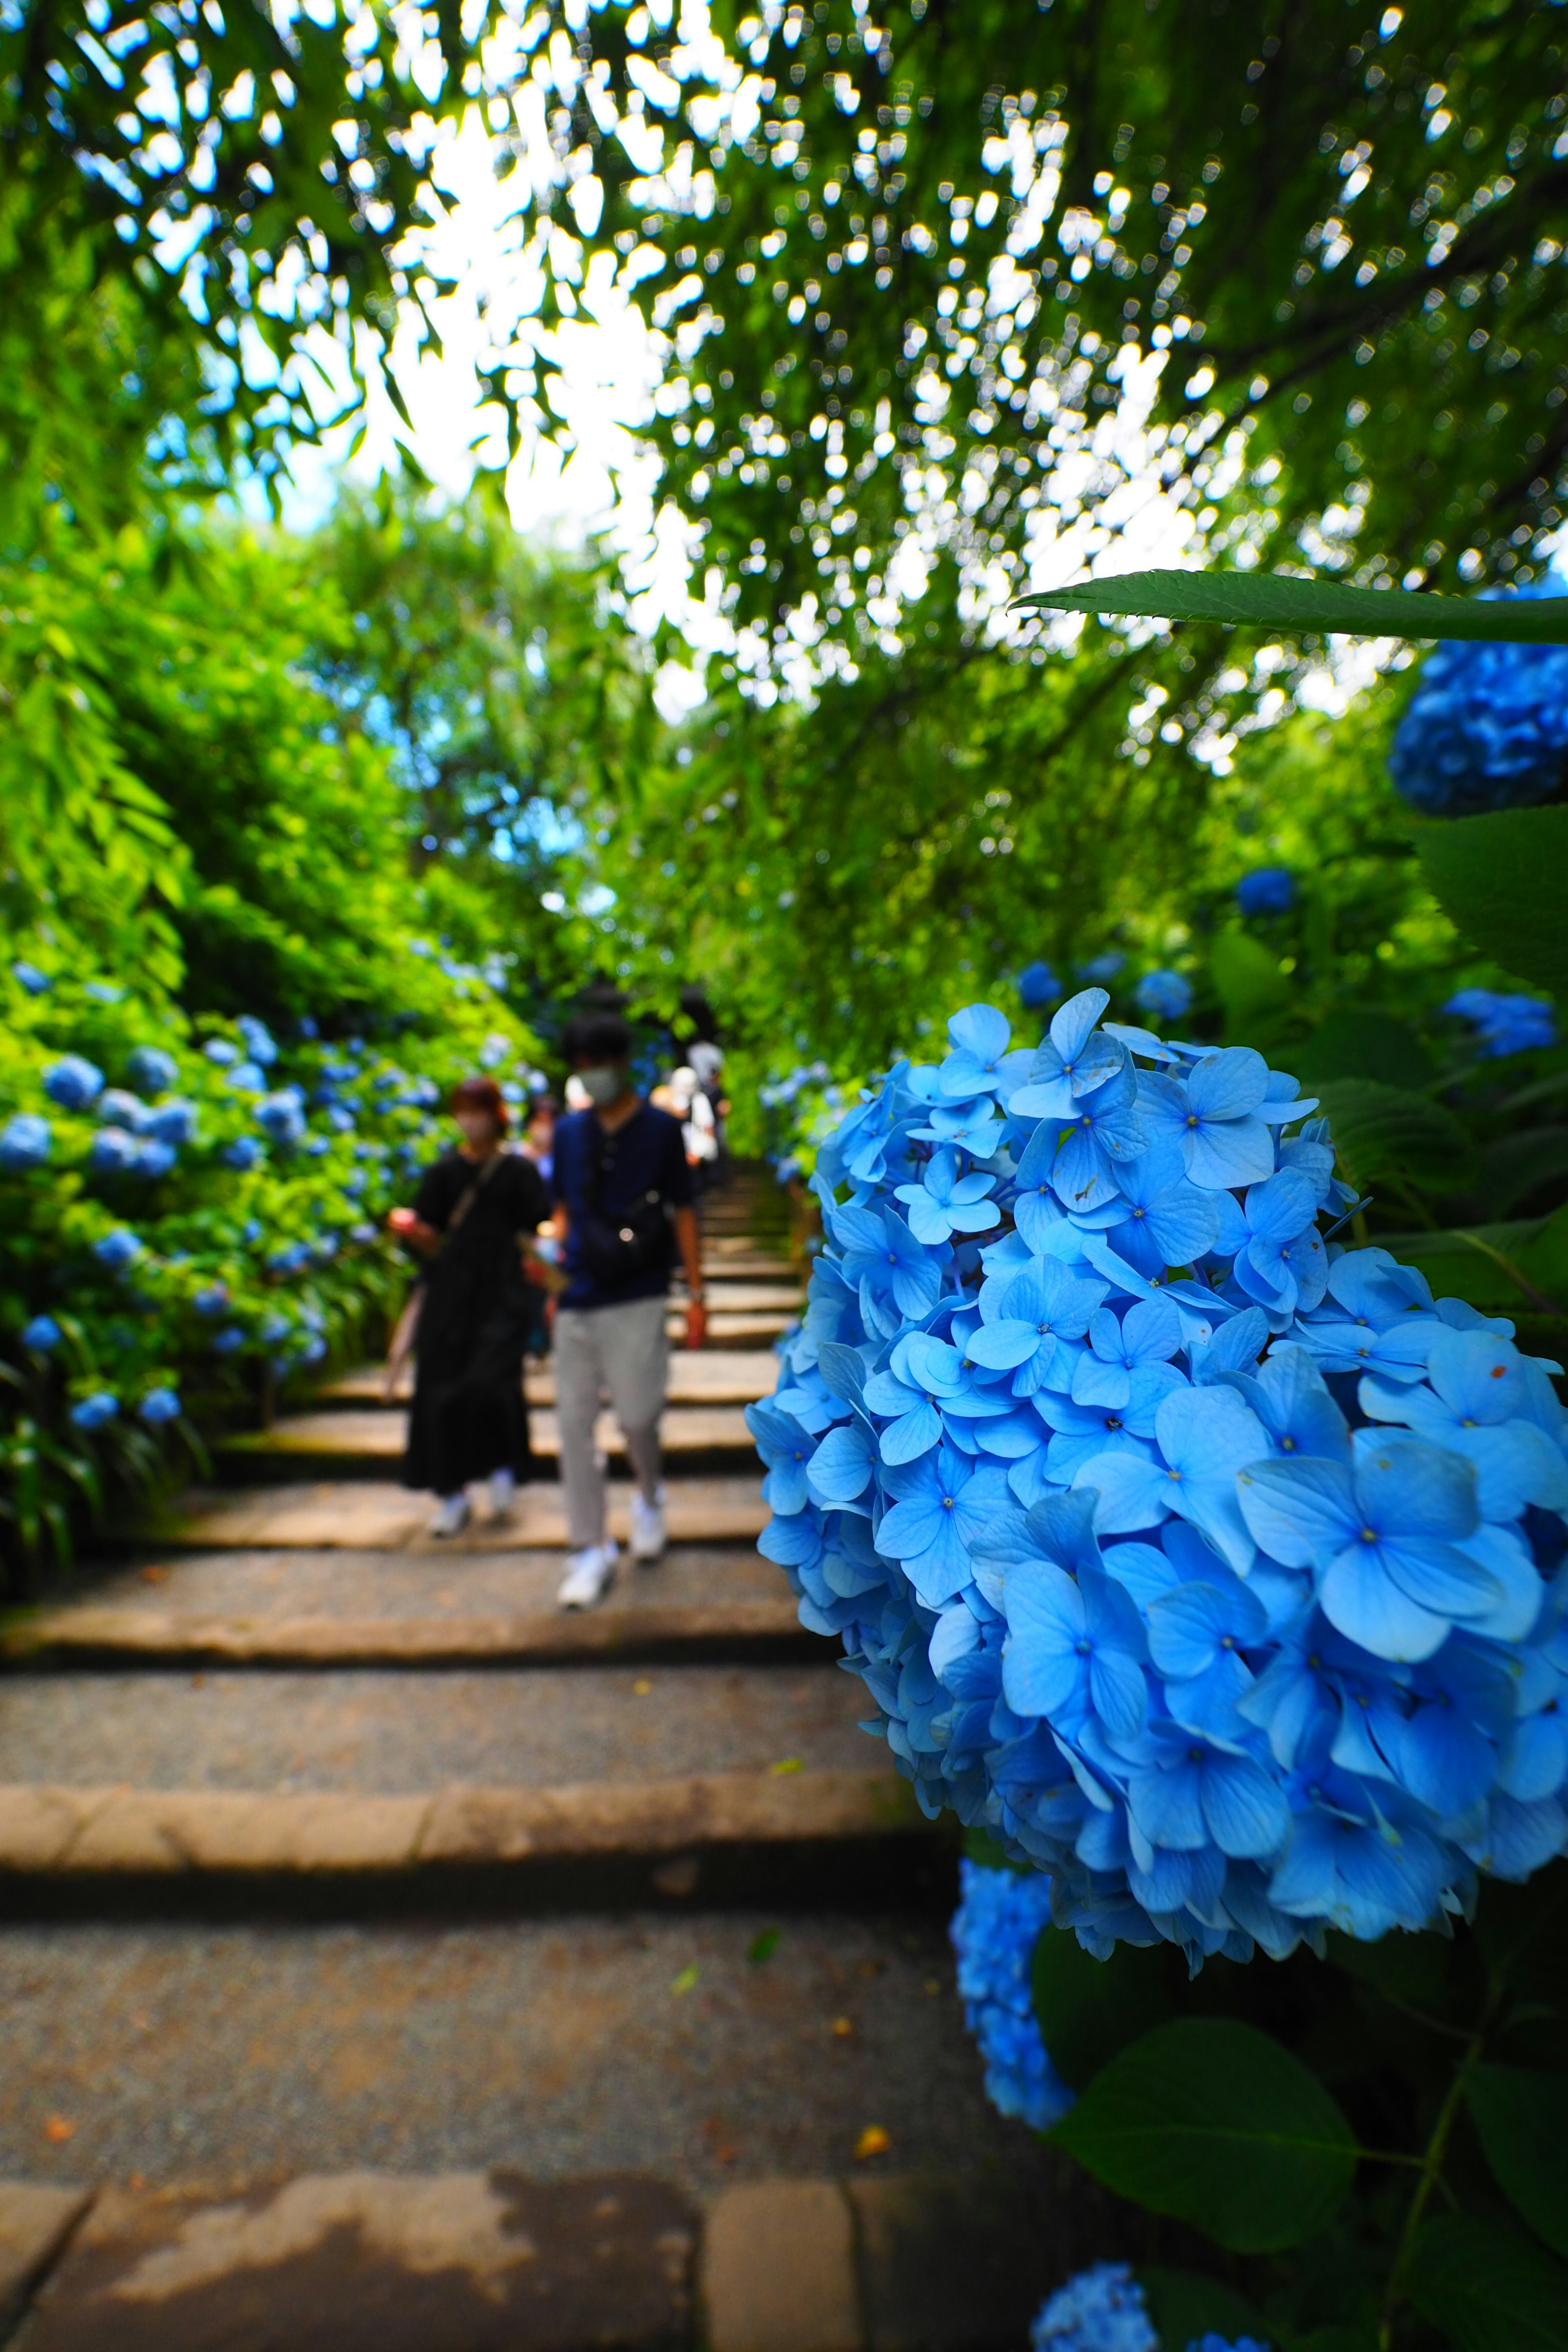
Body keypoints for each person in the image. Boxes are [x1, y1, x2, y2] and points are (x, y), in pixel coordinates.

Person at [550, 1011, 706, 1608]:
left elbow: (684, 1212)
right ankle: (588, 1547)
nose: (591, 1077)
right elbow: (562, 1208)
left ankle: (649, 1495)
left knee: (639, 1416)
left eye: (598, 1064)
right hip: (577, 1296)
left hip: (640, 1293)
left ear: (621, 1063)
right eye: (581, 1067)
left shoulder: (662, 1132)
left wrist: (697, 1296)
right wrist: (551, 1280)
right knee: (572, 1425)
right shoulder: (569, 1134)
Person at [388, 1076, 550, 1537]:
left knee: (493, 1383)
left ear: (495, 1114)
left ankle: (501, 1466)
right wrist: (412, 1232)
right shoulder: (442, 1173)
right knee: (441, 1391)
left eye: (477, 1109)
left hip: (501, 1294)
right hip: (449, 1297)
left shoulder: (518, 1171)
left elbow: (538, 1227)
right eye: (462, 1109)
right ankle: (451, 1490)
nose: (469, 1119)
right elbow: (430, 1237)